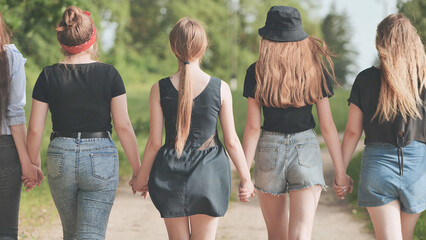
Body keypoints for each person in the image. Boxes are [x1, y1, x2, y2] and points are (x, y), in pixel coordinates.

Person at [131, 17, 255, 240]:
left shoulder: (158, 89)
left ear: (172, 47)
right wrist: (246, 178)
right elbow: (232, 142)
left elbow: (154, 144)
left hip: (169, 173)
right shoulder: (221, 88)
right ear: (204, 46)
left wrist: (141, 178)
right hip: (209, 174)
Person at [27, 6, 141, 240]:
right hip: (100, 158)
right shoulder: (110, 74)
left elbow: (35, 128)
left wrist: (33, 163)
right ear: (92, 39)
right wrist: (138, 170)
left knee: (71, 234)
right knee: (91, 235)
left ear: (62, 40)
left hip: (60, 157)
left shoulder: (48, 75)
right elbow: (123, 127)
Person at [242, 6, 350, 240]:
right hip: (306, 150)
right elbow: (327, 125)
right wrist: (340, 172)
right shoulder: (314, 69)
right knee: (301, 234)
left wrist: (244, 174)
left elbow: (252, 129)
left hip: (269, 150)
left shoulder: (257, 70)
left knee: (276, 235)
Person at [341, 13, 425, 240]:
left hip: (378, 166)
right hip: (418, 168)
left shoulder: (365, 79)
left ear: (380, 43)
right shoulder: (423, 78)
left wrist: (341, 170)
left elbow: (352, 132)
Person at [0, 12, 43, 240]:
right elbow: (15, 112)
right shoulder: (10, 57)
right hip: (5, 150)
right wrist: (27, 163)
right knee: (6, 231)